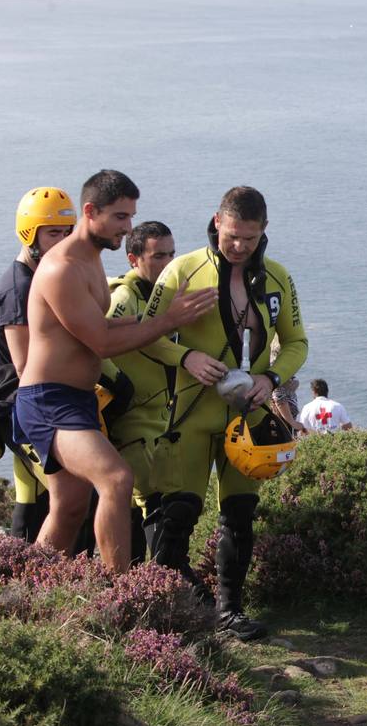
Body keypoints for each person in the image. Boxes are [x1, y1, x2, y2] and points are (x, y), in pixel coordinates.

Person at [15, 170, 217, 572]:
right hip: (47, 401)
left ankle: (28, 587)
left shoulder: (90, 260)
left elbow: (101, 325)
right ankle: (123, 593)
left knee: (70, 507)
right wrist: (167, 321)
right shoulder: (62, 269)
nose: (128, 228)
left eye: (130, 217)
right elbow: (101, 344)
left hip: (77, 398)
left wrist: (156, 316)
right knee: (116, 479)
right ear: (90, 212)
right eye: (120, 217)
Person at [142, 186, 308, 639]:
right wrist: (185, 358)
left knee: (239, 513)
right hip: (191, 413)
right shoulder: (183, 269)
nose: (238, 246)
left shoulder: (276, 278)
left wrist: (269, 380)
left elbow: (297, 342)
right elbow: (148, 334)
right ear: (217, 222)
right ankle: (171, 609)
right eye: (231, 236)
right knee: (178, 513)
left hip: (248, 418)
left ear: (264, 232)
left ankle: (230, 611)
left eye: (249, 239)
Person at [0, 187, 76, 541]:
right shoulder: (18, 290)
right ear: (30, 234)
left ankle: (26, 572)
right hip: (26, 407)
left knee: (32, 500)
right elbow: (26, 366)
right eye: (53, 232)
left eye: (68, 233)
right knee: (71, 497)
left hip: (32, 405)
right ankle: (39, 583)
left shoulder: (41, 277)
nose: (63, 241)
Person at [105, 220, 178, 564]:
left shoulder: (169, 294)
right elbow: (96, 343)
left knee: (142, 505)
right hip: (132, 421)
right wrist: (121, 392)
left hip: (162, 419)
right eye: (158, 256)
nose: (168, 263)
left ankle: (139, 582)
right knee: (154, 500)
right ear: (134, 259)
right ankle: (162, 583)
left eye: (172, 254)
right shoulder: (124, 297)